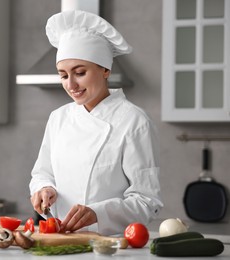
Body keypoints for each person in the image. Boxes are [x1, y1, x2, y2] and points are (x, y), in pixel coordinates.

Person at [29, 10, 163, 236]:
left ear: (105, 70)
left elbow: (147, 201)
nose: (71, 84)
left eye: (79, 72)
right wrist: (44, 189)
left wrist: (98, 213)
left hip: (110, 245)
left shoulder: (134, 122)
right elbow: (42, 173)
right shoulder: (58, 118)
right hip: (61, 240)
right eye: (63, 75)